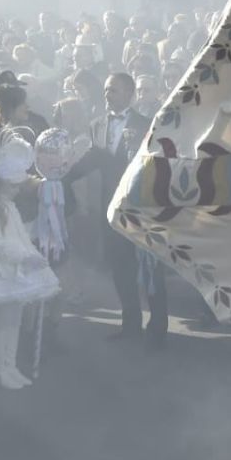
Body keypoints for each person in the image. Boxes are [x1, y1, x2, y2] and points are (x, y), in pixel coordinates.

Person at [69, 72, 167, 346]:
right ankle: (131, 324)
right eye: (106, 89)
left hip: (141, 210)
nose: (107, 94)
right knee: (120, 267)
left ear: (129, 93)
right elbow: (91, 161)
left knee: (149, 269)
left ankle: (158, 329)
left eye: (113, 89)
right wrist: (61, 178)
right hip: (111, 208)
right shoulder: (97, 124)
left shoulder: (147, 125)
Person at [0, 135, 60, 388]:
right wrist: (25, 257)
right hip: (2, 271)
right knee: (3, 323)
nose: (16, 190)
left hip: (18, 270)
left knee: (15, 320)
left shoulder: (9, 207)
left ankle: (10, 365)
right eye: (13, 186)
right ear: (0, 184)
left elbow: (21, 236)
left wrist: (37, 242)